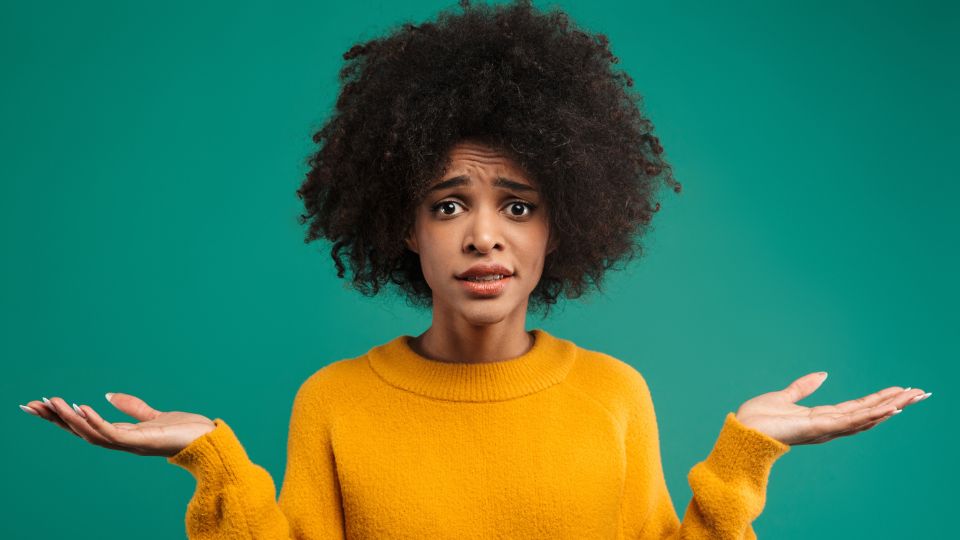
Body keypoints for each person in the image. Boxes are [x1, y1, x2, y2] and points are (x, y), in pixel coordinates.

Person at [20, 1, 931, 538]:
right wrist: (212, 464)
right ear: (402, 227)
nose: (484, 237)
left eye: (519, 206)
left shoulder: (617, 396)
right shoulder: (334, 401)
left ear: (558, 229)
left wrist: (745, 455)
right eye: (449, 204)